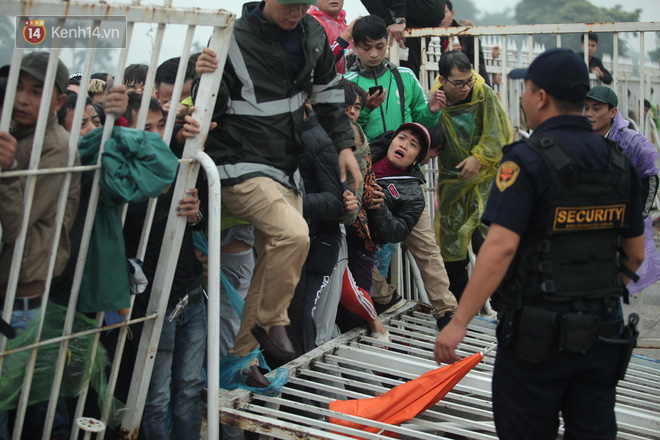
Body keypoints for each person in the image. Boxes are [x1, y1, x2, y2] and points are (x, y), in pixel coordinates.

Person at [434, 48, 645, 439]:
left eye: (527, 89)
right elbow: (635, 254)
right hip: (603, 332)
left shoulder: (525, 162)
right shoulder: (619, 163)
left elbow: (499, 248)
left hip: (536, 338)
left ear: (541, 97)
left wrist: (458, 322)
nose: (524, 97)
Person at [194, 0, 362, 382]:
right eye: (289, 5)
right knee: (292, 234)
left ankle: (242, 360)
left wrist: (345, 148)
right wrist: (200, 75)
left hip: (283, 166)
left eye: (304, 5)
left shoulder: (313, 34)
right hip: (237, 163)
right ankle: (271, 323)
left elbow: (331, 96)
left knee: (275, 254)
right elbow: (208, 105)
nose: (296, 12)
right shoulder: (233, 36)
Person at [0, 51, 81, 440]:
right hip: (8, 285)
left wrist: (9, 168)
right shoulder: (13, 132)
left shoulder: (54, 145)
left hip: (22, 294)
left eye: (36, 90)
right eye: (17, 85)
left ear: (58, 101)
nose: (22, 98)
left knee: (17, 399)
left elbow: (16, 224)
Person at [431, 50, 512, 299]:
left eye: (469, 81)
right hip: (453, 184)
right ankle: (460, 311)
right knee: (452, 250)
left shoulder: (483, 92)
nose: (466, 87)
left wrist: (479, 158)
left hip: (487, 182)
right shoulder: (436, 102)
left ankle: (503, 308)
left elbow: (499, 133)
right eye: (459, 83)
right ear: (443, 80)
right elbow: (427, 132)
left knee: (488, 246)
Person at [370, 124, 457, 329]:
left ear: (418, 159)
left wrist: (379, 207)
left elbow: (395, 233)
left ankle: (446, 310)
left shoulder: (413, 193)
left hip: (394, 215)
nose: (404, 145)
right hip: (355, 226)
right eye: (401, 138)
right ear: (392, 139)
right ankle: (385, 297)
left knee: (426, 248)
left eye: (413, 144)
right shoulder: (369, 150)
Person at [584, 85, 660, 294]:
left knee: (615, 283)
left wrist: (639, 215)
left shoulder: (632, 142)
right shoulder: (581, 139)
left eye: (596, 108)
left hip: (621, 223)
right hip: (588, 224)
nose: (589, 113)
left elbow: (650, 178)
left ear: (612, 112)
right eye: (587, 107)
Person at [344, 15, 446, 141]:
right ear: (355, 46)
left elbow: (420, 126)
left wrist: (431, 111)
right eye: (367, 48)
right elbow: (343, 131)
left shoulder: (406, 76)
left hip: (403, 158)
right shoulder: (345, 83)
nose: (374, 54)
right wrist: (365, 109)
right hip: (366, 159)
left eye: (380, 47)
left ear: (387, 42)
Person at [360, 0, 446, 78]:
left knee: (407, 66)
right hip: (423, 15)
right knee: (409, 66)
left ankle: (389, 25)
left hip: (424, 8)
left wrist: (399, 20)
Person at [439, 1, 490, 87]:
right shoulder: (425, 36)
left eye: (444, 12)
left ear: (452, 13)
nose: (442, 17)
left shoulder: (467, 34)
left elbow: (478, 64)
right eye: (438, 13)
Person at [308, 0, 356, 73]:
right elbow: (320, 62)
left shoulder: (345, 25)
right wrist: (347, 36)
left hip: (348, 82)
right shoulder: (310, 23)